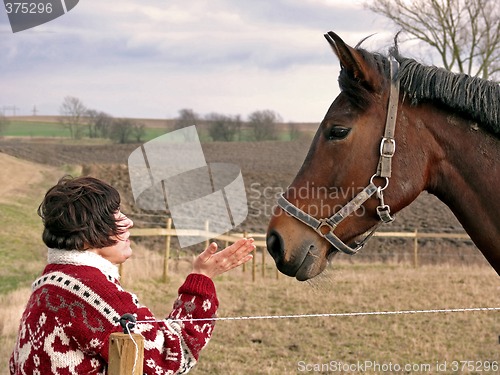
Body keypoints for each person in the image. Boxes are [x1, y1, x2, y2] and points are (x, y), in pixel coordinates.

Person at [9, 175, 255, 374]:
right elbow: (171, 355)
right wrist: (202, 279)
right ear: (88, 232)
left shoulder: (50, 282)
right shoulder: (91, 292)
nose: (129, 223)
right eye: (115, 216)